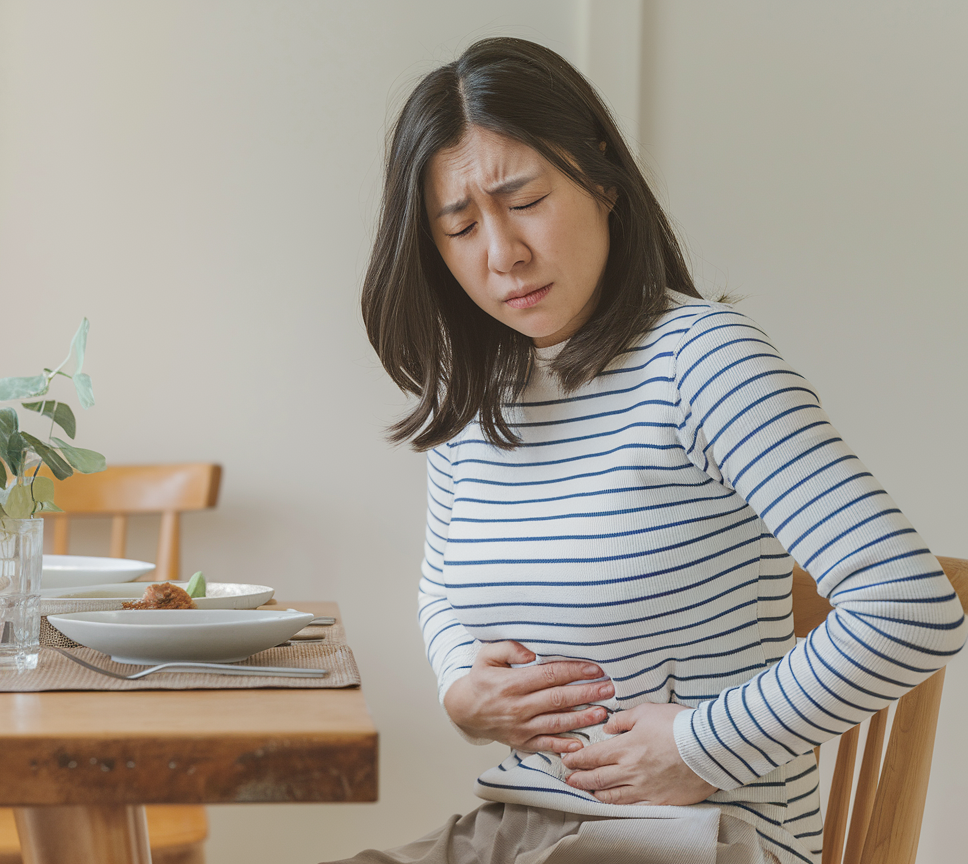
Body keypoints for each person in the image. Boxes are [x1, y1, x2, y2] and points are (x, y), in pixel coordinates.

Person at [337, 37, 966, 864]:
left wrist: (702, 745)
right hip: (519, 830)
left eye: (523, 200)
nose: (501, 255)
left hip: (705, 839)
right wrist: (462, 684)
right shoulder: (476, 398)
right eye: (459, 226)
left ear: (601, 178)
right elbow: (443, 591)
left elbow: (909, 608)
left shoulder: (702, 362)